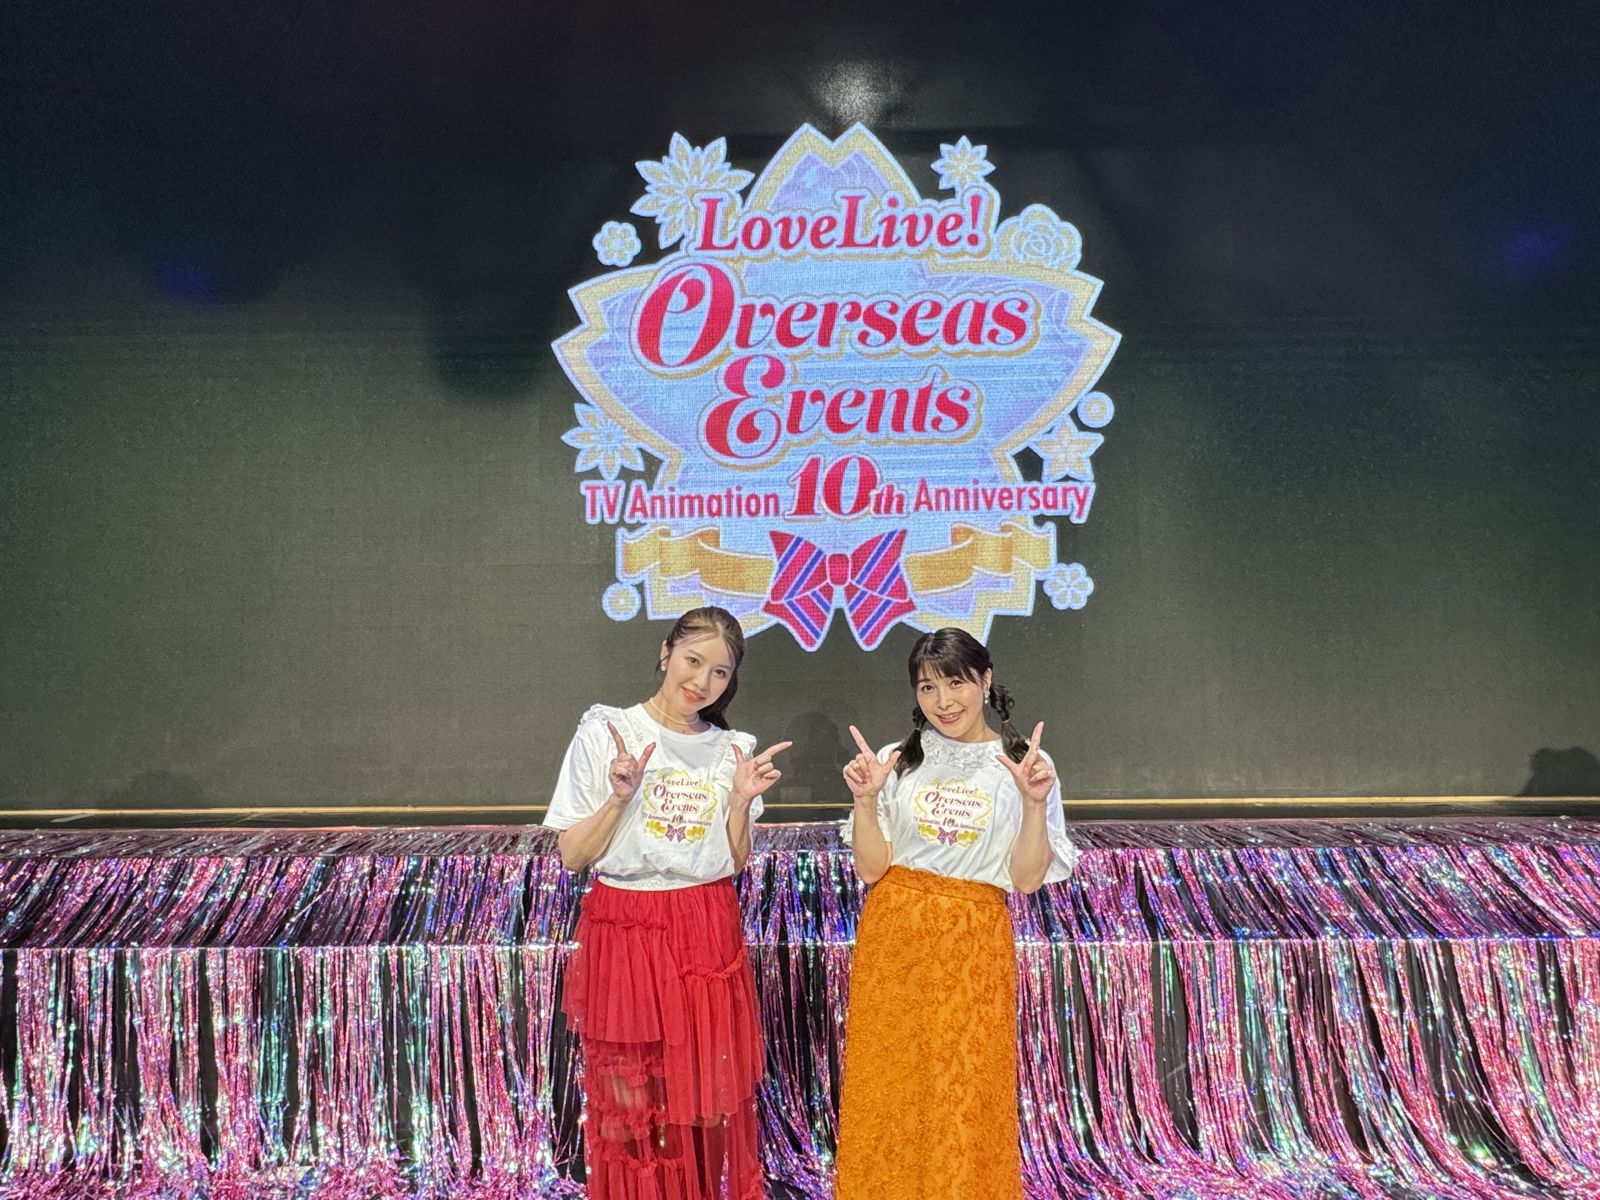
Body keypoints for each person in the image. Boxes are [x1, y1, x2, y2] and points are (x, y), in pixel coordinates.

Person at [546, 606, 790, 1200]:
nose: (702, 682)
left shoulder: (732, 749)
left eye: (720, 672)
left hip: (705, 925)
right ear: (665, 653)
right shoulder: (608, 731)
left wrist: (740, 802)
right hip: (627, 926)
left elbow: (733, 861)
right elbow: (573, 855)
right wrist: (618, 799)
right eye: (693, 661)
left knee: (698, 1098)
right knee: (628, 1100)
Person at [833, 628, 1080, 1200]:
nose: (943, 701)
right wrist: (865, 801)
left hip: (973, 941)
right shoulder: (897, 760)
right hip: (896, 936)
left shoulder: (1025, 766)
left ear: (985, 681)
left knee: (964, 1087)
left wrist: (1035, 805)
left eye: (955, 683)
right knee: (891, 1085)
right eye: (927, 687)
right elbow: (871, 868)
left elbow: (1026, 879)